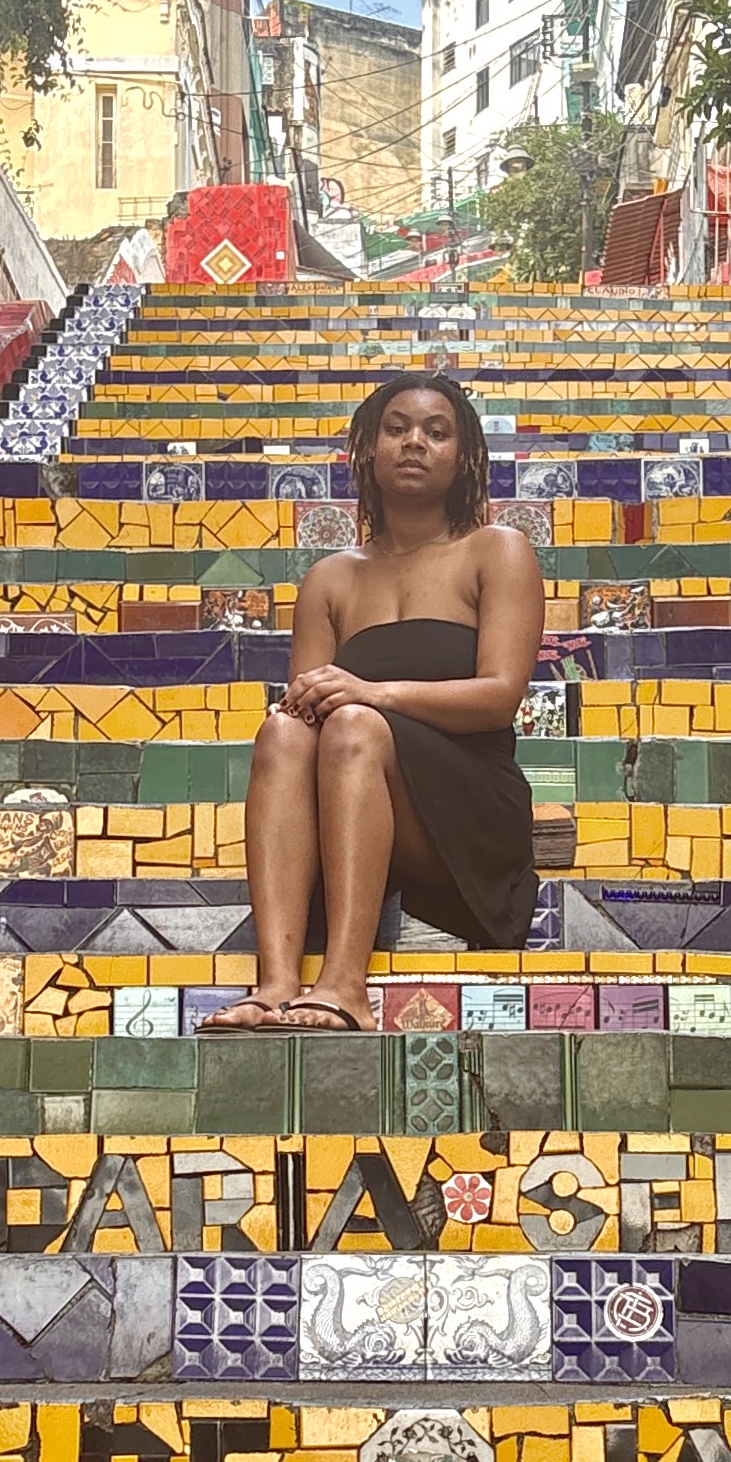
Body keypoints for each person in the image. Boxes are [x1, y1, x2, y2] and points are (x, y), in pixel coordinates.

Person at [205, 368, 543, 1031]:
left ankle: (343, 984)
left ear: (464, 456)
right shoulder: (329, 578)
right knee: (281, 731)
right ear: (367, 449)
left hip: (466, 813)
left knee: (355, 722)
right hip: (354, 807)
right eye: (397, 429)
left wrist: (374, 692)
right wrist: (344, 704)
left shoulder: (496, 551)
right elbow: (306, 717)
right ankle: (274, 983)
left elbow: (499, 698)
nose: (414, 442)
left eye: (435, 432)